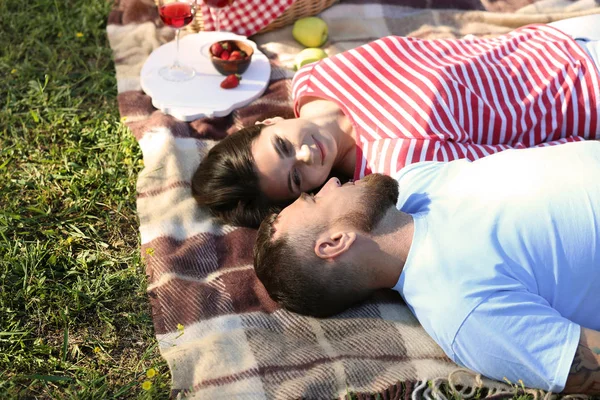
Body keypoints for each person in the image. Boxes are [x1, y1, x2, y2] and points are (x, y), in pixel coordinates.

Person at [253, 140, 600, 394]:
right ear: (335, 242)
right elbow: (586, 363)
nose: (330, 182)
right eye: (316, 198)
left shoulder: (414, 184)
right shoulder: (463, 309)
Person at [192, 22, 600, 228]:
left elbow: (436, 50)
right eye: (297, 178)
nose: (305, 155)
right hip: (585, 98)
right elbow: (519, 163)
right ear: (304, 195)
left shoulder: (314, 78)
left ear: (268, 121)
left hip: (555, 38)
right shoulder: (395, 169)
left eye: (283, 145)